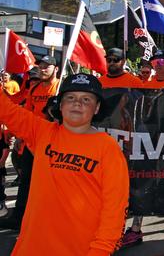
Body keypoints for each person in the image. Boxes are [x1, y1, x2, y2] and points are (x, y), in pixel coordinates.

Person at [0, 72, 129, 255]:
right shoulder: (41, 132)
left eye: (86, 99)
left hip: (80, 249)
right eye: (70, 97)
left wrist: (100, 251)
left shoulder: (108, 149)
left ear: (97, 108)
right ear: (60, 105)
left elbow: (115, 210)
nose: (77, 103)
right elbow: (5, 109)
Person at [122, 49, 164, 247]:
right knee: (145, 180)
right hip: (151, 141)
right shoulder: (146, 86)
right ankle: (136, 229)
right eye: (155, 61)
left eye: (162, 60)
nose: (159, 64)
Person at [0, 56, 60, 231]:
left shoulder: (60, 88)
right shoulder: (33, 88)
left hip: (51, 144)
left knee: (49, 183)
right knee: (26, 180)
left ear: (55, 69)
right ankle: (19, 217)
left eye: (46, 66)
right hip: (31, 141)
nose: (42, 69)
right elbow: (27, 112)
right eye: (40, 66)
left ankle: (46, 219)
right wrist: (20, 137)